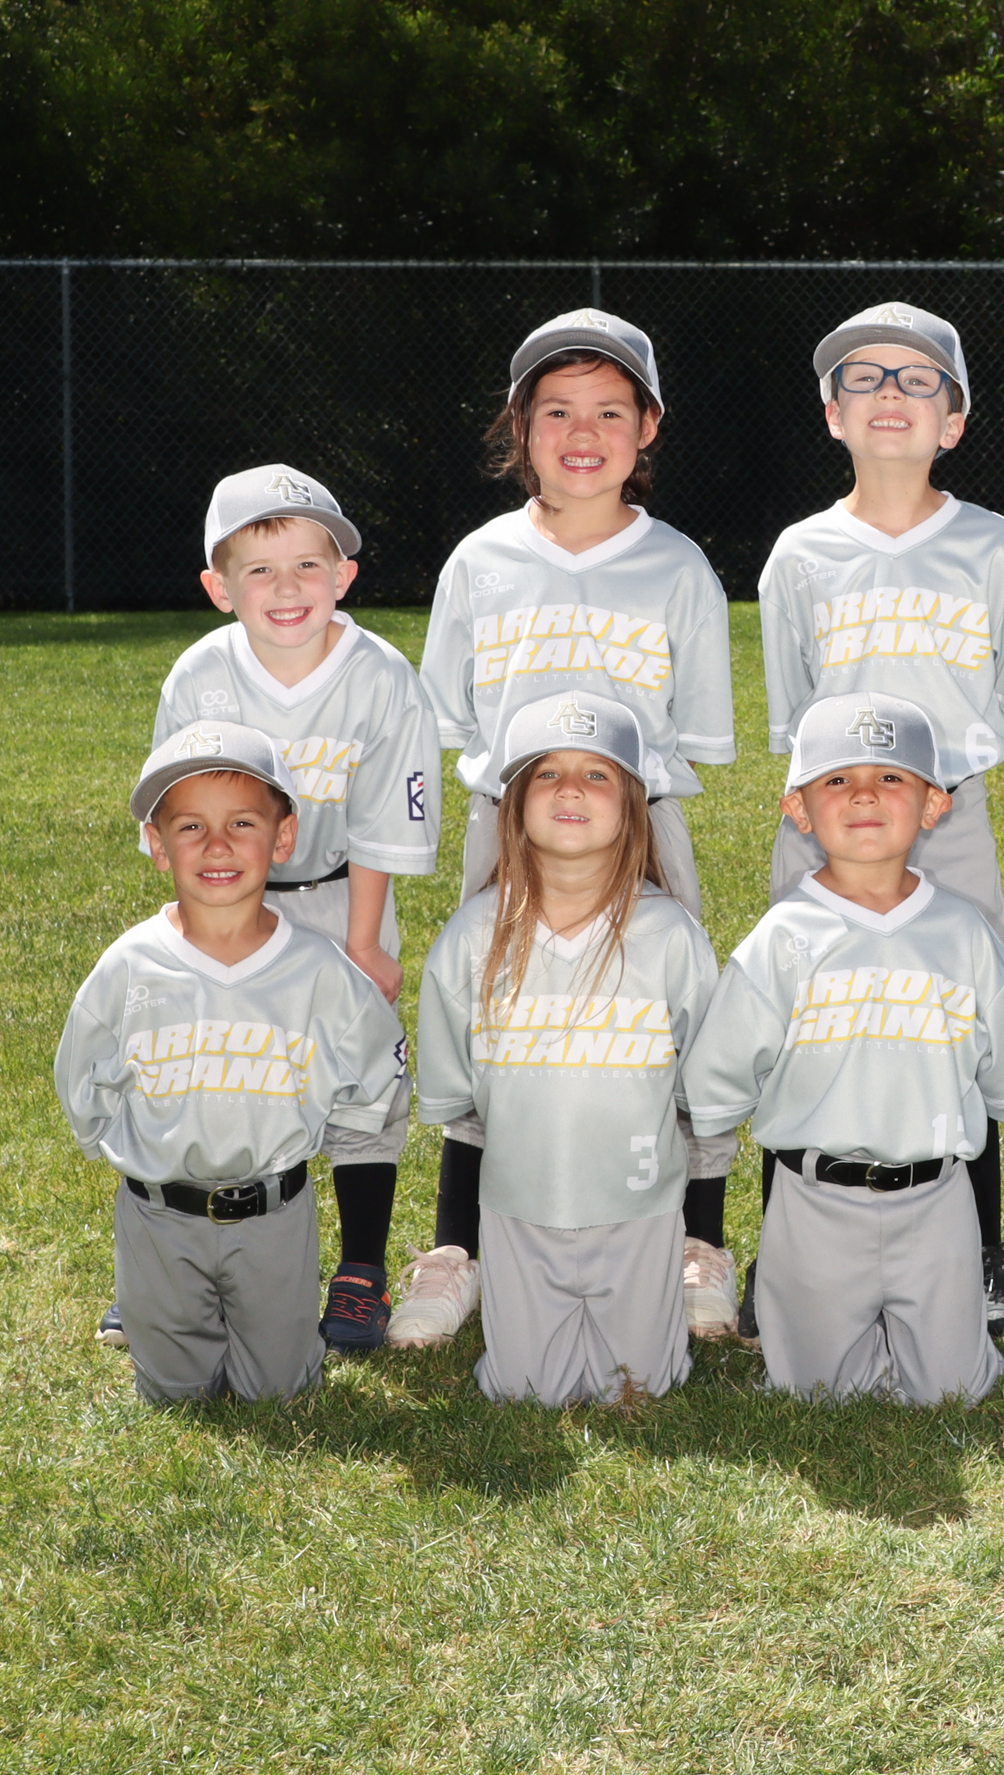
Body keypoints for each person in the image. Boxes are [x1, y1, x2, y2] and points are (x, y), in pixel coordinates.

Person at [400, 309, 736, 1352]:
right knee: (499, 1018)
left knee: (664, 1024)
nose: (581, 432)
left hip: (643, 826)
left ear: (648, 427)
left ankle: (697, 1241)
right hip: (508, 825)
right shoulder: (480, 561)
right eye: (556, 411)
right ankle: (459, 1246)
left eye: (609, 411)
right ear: (520, 425)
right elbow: (448, 720)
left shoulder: (677, 566)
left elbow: (697, 733)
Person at [751, 301, 1004, 1346]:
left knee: (956, 1017)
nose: (890, 394)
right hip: (825, 818)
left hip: (948, 812)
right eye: (864, 377)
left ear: (952, 422)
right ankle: (781, 1246)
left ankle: (982, 1248)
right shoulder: (800, 554)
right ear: (832, 414)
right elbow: (794, 714)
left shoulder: (993, 545)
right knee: (804, 1018)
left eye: (919, 379)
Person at [126, 464, 440, 1357]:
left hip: (343, 893)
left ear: (344, 574)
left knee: (363, 1075)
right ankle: (181, 1265)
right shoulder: (200, 674)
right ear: (218, 587)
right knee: (223, 1069)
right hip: (231, 902)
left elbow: (382, 822)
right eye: (258, 570)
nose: (287, 587)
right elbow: (184, 818)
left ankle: (362, 1267)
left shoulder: (380, 676)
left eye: (308, 564)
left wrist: (365, 943)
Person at [683, 694, 1004, 1406]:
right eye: (838, 779)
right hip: (815, 1203)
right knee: (816, 1392)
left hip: (937, 1200)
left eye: (891, 778)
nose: (865, 795)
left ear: (934, 804)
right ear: (799, 809)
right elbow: (715, 1082)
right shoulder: (782, 937)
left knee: (952, 1392)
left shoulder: (964, 932)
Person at [54, 724, 406, 1404]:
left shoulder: (317, 968)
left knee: (280, 1392)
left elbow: (378, 1068)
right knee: (174, 1392)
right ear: (157, 844)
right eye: (190, 826)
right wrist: (119, 1143)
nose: (217, 845)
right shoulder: (130, 964)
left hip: (275, 1213)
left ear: (283, 837)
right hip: (158, 1214)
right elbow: (82, 1072)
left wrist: (342, 1126)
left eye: (242, 822)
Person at [413, 693, 718, 1407]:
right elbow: (458, 1097)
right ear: (512, 806)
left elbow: (701, 1086)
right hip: (519, 1207)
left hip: (641, 1207)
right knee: (525, 1389)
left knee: (642, 1386)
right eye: (546, 773)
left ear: (634, 807)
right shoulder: (472, 936)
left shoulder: (671, 935)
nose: (570, 789)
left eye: (596, 774)